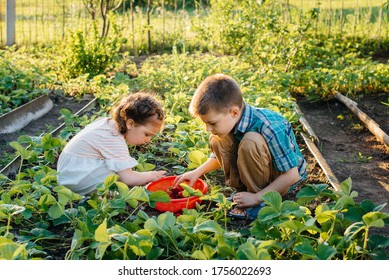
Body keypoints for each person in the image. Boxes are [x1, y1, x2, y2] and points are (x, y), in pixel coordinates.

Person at [174, 74, 307, 219]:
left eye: (212, 123)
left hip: (282, 180)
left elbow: (291, 176)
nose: (207, 128)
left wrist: (257, 197)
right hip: (263, 171)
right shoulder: (232, 120)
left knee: (251, 141)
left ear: (234, 112)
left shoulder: (269, 126)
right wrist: (197, 172)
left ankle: (260, 202)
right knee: (218, 139)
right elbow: (221, 155)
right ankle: (243, 192)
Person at [57, 91, 166, 196]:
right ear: (130, 124)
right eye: (147, 134)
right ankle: (99, 193)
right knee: (116, 172)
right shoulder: (113, 139)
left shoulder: (107, 123)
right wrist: (151, 175)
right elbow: (128, 178)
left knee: (114, 165)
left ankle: (96, 191)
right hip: (75, 180)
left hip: (69, 173)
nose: (148, 140)